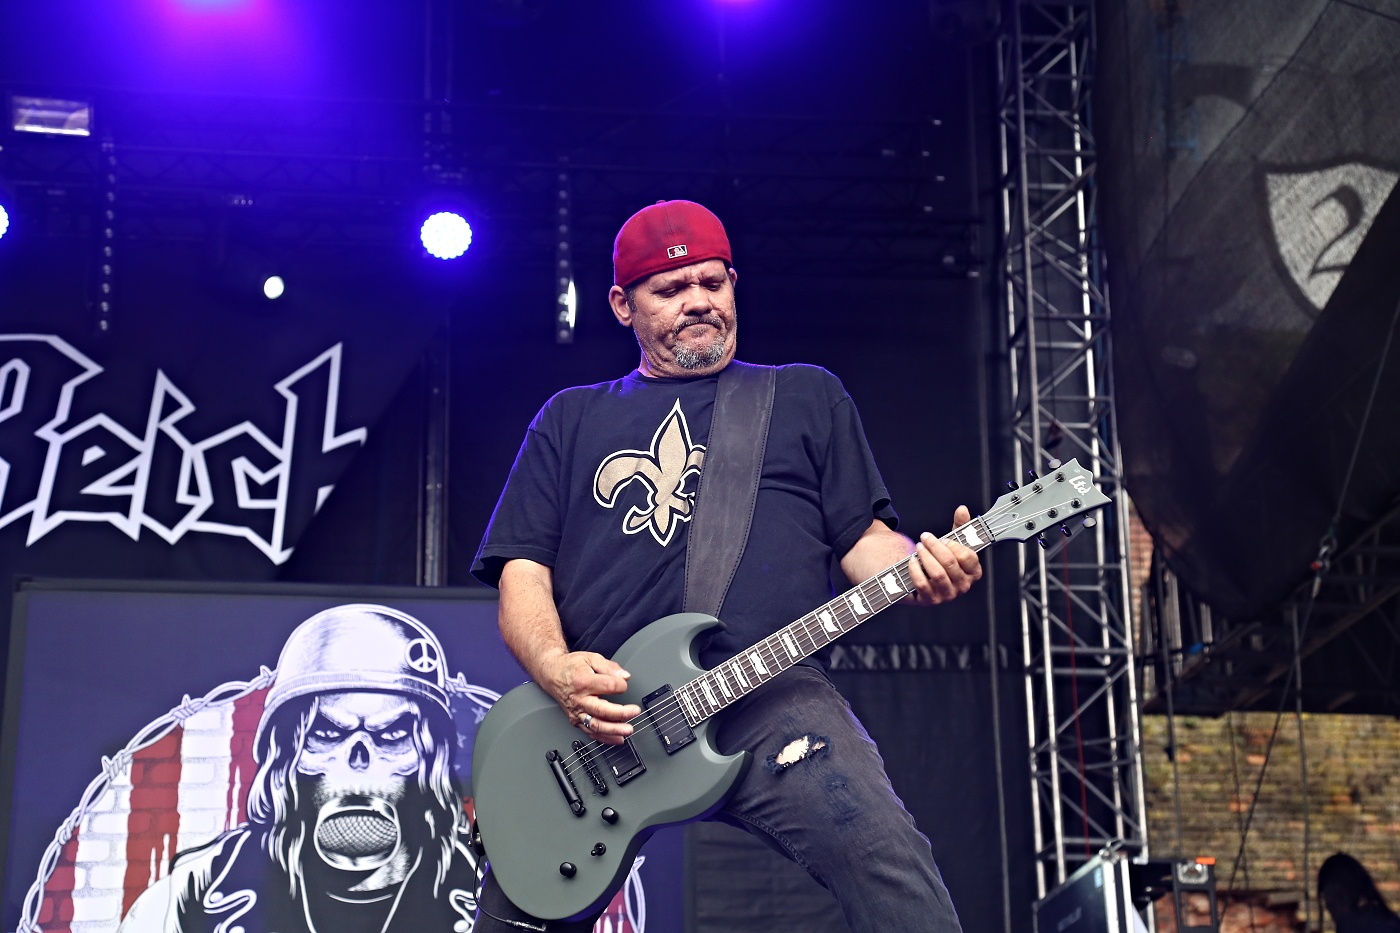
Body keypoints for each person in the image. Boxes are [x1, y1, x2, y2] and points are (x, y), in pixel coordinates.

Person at [470, 199, 981, 933]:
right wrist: (557, 670)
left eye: (712, 282)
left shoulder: (804, 395)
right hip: (602, 721)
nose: (698, 301)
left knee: (887, 862)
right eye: (670, 289)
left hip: (768, 693)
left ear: (734, 285)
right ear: (622, 305)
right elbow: (523, 573)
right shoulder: (569, 418)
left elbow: (866, 542)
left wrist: (922, 565)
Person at [119, 605, 480, 933]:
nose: (358, 759)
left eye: (392, 734)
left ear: (431, 760)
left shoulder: (485, 895)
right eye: (327, 733)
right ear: (284, 755)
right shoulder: (192, 893)